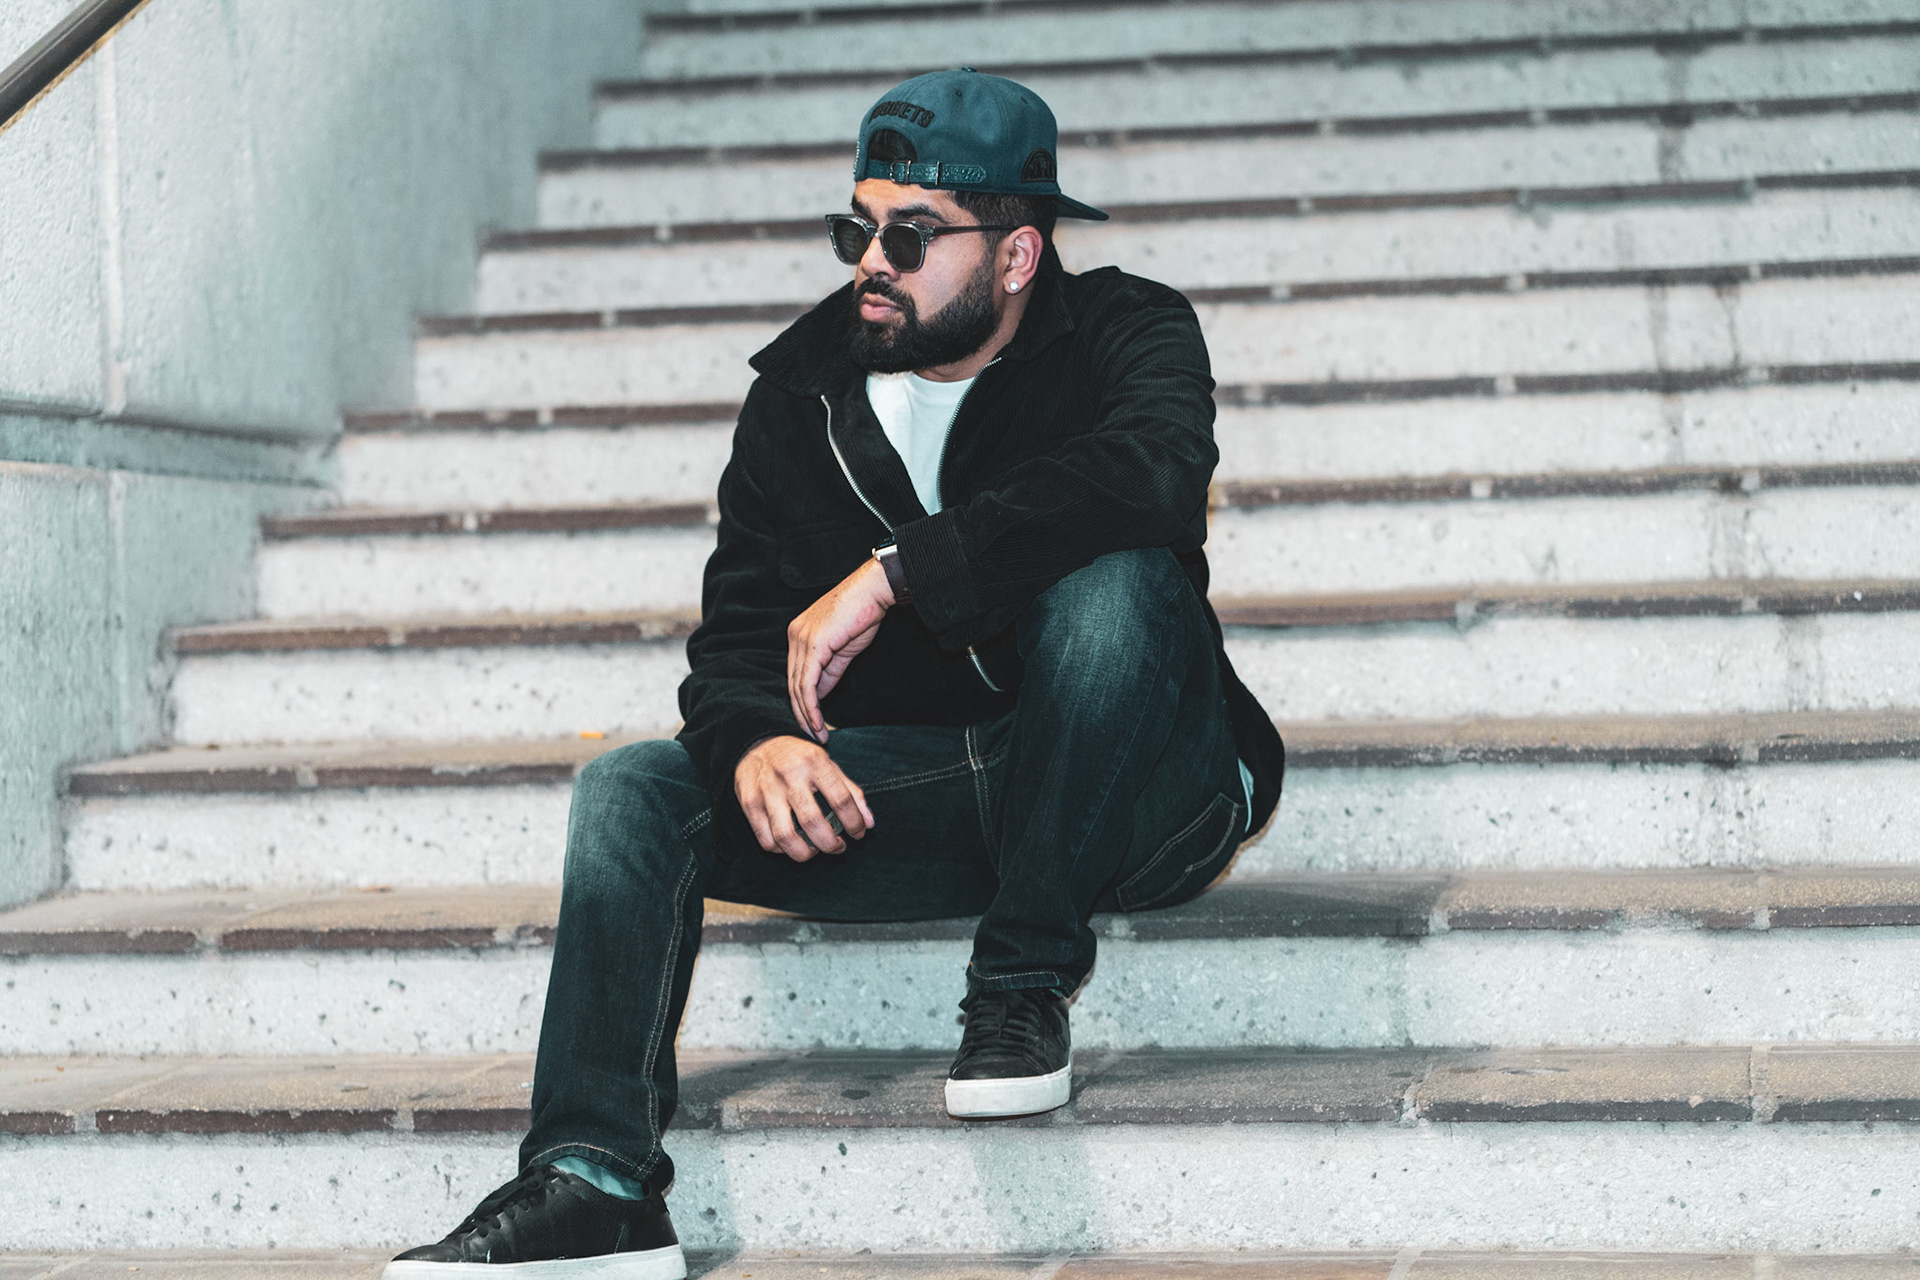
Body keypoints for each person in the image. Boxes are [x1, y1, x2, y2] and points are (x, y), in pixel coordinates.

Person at [384, 68, 1284, 1278]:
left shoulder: (1129, 329)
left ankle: (1020, 982)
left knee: (1118, 584)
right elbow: (737, 638)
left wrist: (898, 573)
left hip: (1141, 787)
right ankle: (596, 1185)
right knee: (632, 791)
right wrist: (757, 735)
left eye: (910, 236)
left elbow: (1152, 478)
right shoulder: (800, 393)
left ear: (1018, 255)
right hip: (942, 796)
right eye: (856, 226)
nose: (871, 260)